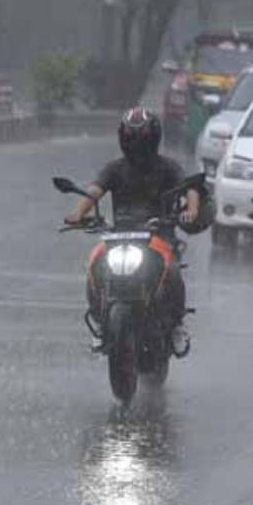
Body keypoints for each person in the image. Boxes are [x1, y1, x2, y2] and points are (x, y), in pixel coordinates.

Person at [64, 108, 200, 353]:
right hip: (119, 236)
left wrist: (191, 209)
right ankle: (99, 320)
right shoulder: (115, 169)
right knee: (95, 261)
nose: (137, 143)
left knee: (172, 270)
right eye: (131, 137)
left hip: (159, 236)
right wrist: (78, 213)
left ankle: (177, 324)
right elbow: (94, 191)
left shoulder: (168, 167)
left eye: (142, 137)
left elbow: (190, 187)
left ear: (154, 138)